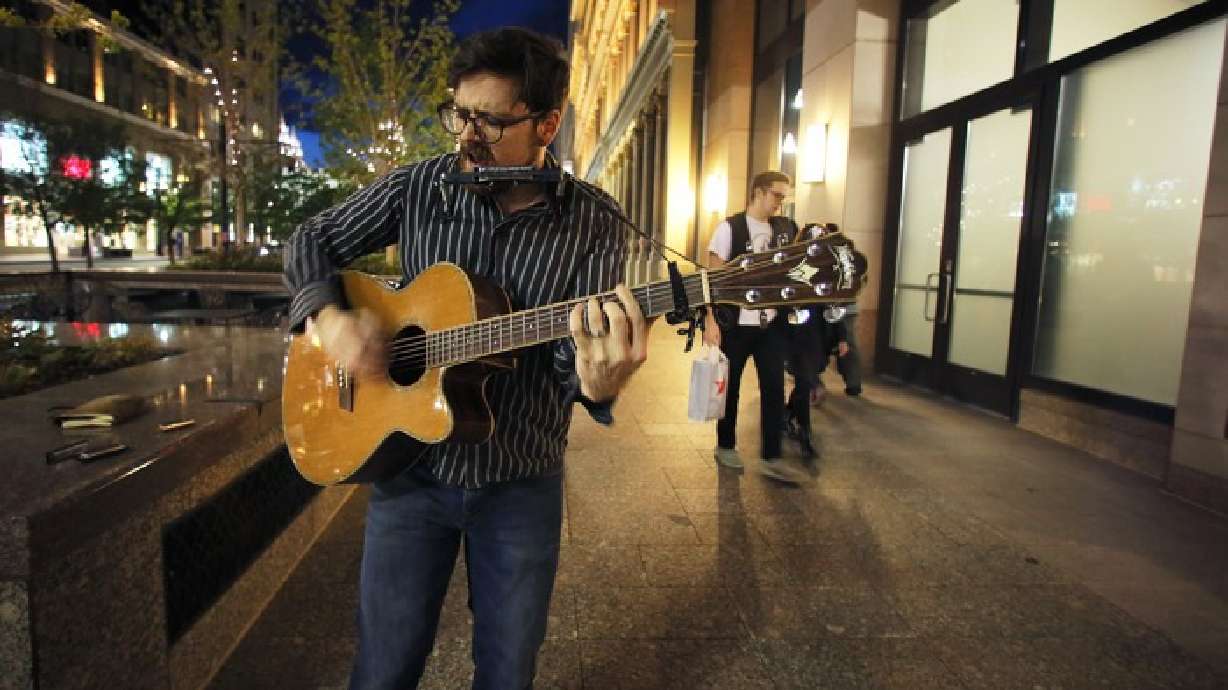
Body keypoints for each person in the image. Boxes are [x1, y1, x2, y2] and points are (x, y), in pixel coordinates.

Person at [283, 27, 649, 690]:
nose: (467, 137)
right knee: (382, 670)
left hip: (520, 480)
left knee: (508, 672)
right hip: (410, 471)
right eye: (459, 115)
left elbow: (570, 363)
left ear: (547, 124)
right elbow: (310, 239)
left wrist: (597, 383)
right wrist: (331, 319)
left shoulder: (595, 222)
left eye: (490, 121)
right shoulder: (418, 187)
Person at [702, 171, 806, 483]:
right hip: (736, 324)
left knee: (774, 387)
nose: (780, 203)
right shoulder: (730, 229)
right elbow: (711, 280)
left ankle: (772, 456)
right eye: (776, 195)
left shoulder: (785, 229)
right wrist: (710, 320)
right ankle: (725, 445)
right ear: (759, 192)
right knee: (730, 386)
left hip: (770, 324)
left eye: (784, 197)